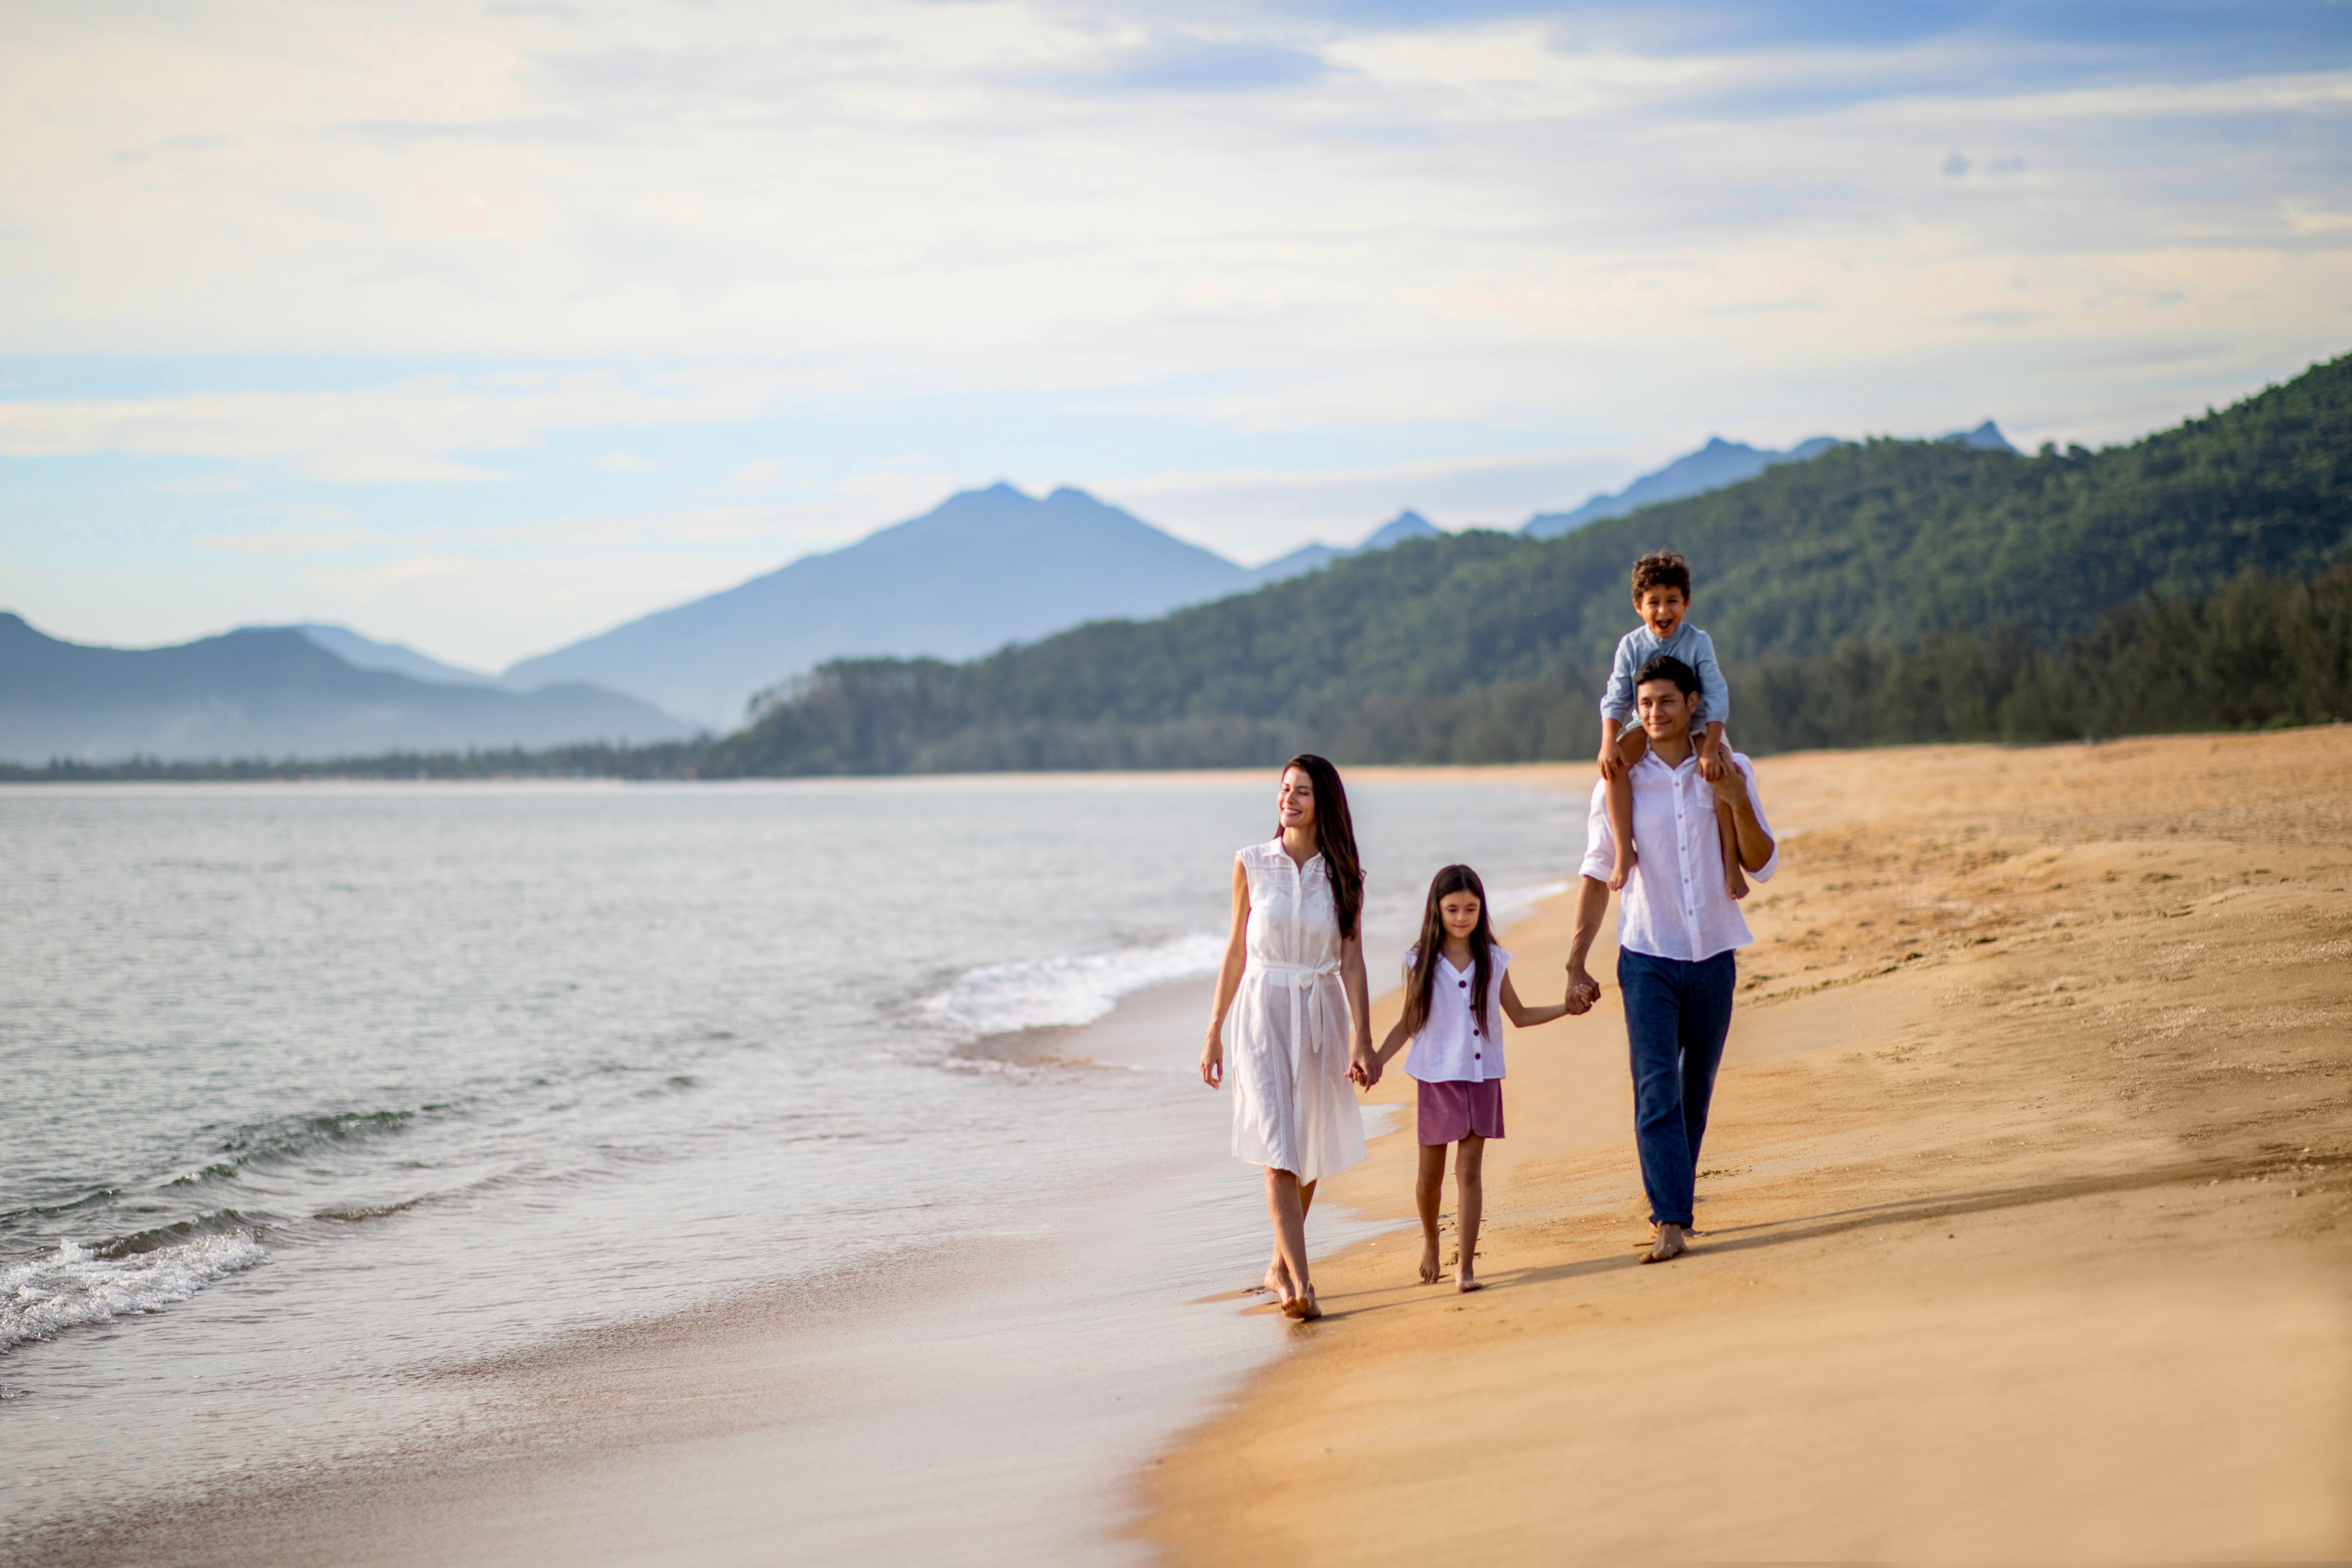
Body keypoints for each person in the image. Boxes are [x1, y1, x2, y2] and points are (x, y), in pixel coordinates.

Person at [1566, 653, 1777, 1264]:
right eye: (1644, 704)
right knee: (1655, 1087)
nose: (1653, 714)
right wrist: (1575, 960)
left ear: (1693, 705)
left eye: (1665, 701)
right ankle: (1670, 1218)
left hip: (1713, 951)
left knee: (1694, 1090)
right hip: (1647, 952)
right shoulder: (1618, 782)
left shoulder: (1729, 769)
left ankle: (1672, 1198)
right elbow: (1593, 869)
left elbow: (1763, 864)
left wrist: (1737, 799)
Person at [1200, 754, 1377, 1321]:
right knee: (1278, 1151)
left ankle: (1278, 1263)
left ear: (1322, 801)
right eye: (1283, 790)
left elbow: (1352, 961)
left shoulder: (1345, 876)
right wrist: (1213, 1033)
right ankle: (1300, 1284)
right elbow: (1233, 952)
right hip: (1261, 1011)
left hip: (1320, 1008)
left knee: (1310, 1148)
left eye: (1301, 791)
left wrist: (1363, 1040)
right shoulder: (1251, 864)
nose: (1288, 800)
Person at [1360, 864, 1581, 1292]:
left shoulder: (1494, 961)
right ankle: (1430, 1239)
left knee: (1470, 1172)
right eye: (1453, 909)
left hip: (1482, 1076)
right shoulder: (1420, 960)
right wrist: (1377, 1059)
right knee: (1429, 1177)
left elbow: (1517, 1015)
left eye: (1471, 909)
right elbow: (1409, 1022)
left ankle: (1465, 1266)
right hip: (1436, 1077)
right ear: (1437, 911)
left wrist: (1565, 1008)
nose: (1462, 918)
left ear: (1482, 910)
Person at [1596, 551, 1746, 900]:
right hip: (1646, 722)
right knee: (1614, 767)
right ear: (1638, 606)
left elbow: (1717, 695)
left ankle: (1731, 864)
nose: (1663, 611)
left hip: (1697, 722)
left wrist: (1710, 749)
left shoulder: (1698, 641)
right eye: (1654, 603)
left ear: (1687, 602)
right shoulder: (1631, 645)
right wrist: (1608, 741)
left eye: (1672, 601)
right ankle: (1624, 852)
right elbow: (1616, 697)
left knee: (1720, 771)